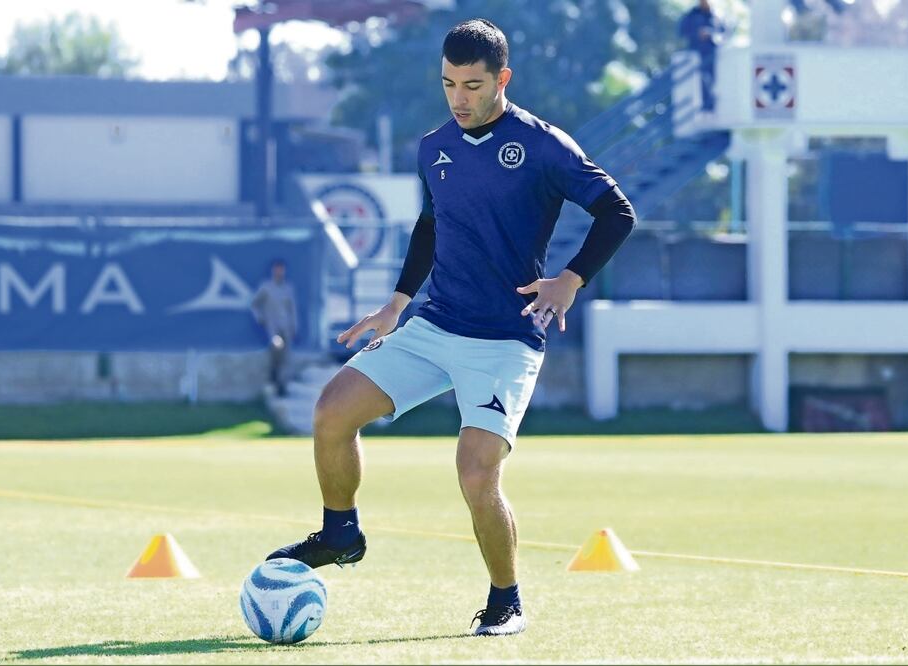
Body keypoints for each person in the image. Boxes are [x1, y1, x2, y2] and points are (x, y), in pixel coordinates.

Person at [265, 19, 636, 636]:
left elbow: (616, 212)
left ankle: (505, 599)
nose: (458, 99)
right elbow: (430, 227)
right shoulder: (432, 146)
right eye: (448, 84)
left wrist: (570, 279)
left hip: (506, 340)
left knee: (474, 473)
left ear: (502, 80)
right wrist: (396, 304)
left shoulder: (544, 146)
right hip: (436, 324)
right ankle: (340, 531)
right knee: (332, 411)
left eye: (472, 85)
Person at [251, 259, 297, 396]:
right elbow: (254, 304)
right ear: (273, 270)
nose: (279, 272)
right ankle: (274, 379)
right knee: (276, 351)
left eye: (281, 269)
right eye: (277, 269)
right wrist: (260, 318)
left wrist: (294, 326)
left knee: (285, 357)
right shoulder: (266, 287)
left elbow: (292, 309)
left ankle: (282, 386)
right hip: (273, 328)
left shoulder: (288, 288)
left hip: (286, 327)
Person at [679, 0, 725, 113]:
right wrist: (697, 34)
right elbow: (682, 32)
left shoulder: (717, 15)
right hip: (697, 55)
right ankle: (705, 106)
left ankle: (712, 106)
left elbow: (724, 33)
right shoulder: (691, 15)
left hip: (714, 56)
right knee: (700, 80)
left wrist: (710, 34)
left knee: (714, 81)